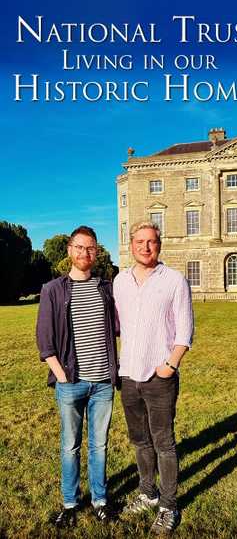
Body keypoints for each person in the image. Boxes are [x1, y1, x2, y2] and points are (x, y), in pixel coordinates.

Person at [113, 221, 193, 535]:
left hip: (160, 376)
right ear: (131, 245)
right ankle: (147, 493)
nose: (146, 247)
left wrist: (170, 365)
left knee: (164, 443)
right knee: (140, 441)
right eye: (140, 241)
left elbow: (185, 330)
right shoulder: (120, 281)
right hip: (128, 375)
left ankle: (168, 505)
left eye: (152, 241)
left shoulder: (174, 280)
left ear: (159, 244)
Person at [36, 225, 119, 528]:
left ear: (97, 252)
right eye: (80, 247)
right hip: (70, 382)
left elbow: (124, 326)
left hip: (103, 385)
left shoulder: (106, 288)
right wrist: (62, 377)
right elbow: (45, 342)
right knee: (70, 446)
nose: (86, 253)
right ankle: (70, 503)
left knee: (100, 446)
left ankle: (100, 501)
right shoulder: (53, 289)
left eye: (92, 248)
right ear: (70, 250)